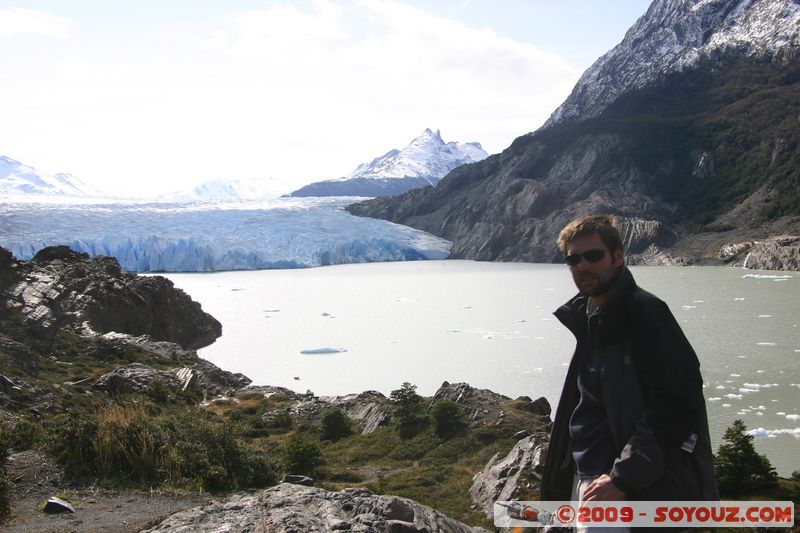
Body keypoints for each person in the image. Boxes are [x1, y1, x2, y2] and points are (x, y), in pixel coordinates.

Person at [540, 215, 718, 514]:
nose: (582, 266)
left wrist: (623, 478)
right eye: (573, 260)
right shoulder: (588, 317)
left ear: (618, 257)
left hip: (628, 487)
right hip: (589, 476)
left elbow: (676, 406)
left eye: (593, 256)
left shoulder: (645, 313)